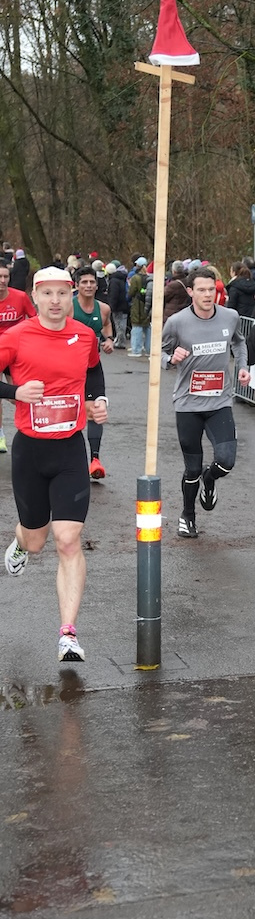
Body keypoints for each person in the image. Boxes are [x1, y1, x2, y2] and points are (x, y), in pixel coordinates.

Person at [0, 266, 109, 662]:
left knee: (67, 539)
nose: (55, 301)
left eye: (62, 293)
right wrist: (15, 391)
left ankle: (68, 634)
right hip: (30, 451)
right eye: (47, 293)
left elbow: (94, 370)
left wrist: (99, 401)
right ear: (35, 296)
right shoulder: (16, 336)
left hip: (69, 451)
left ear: (71, 294)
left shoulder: (84, 335)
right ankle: (20, 542)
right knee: (37, 539)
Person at [161, 266, 252, 538]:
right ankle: (187, 516)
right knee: (191, 468)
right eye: (201, 290)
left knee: (226, 461)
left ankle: (209, 479)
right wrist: (171, 359)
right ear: (190, 292)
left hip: (219, 402)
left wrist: (243, 367)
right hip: (188, 404)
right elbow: (160, 353)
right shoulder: (176, 322)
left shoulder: (230, 316)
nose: (207, 294)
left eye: (211, 289)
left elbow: (239, 343)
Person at [72, 266, 114, 478]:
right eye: (84, 282)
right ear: (77, 285)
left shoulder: (103, 309)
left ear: (97, 285)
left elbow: (106, 326)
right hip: (69, 368)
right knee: (70, 411)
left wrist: (109, 340)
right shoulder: (69, 308)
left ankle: (95, 460)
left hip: (92, 367)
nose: (88, 286)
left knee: (96, 410)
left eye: (92, 282)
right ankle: (71, 460)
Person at [0, 259, 35, 453]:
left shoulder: (20, 297)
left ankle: (30, 430)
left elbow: (35, 320)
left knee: (18, 396)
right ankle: (0, 436)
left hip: (16, 352)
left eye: (5, 276)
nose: (2, 281)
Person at [128, 257, 151, 357]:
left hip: (137, 304)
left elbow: (131, 292)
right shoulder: (149, 277)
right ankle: (149, 350)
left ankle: (136, 350)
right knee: (147, 327)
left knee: (136, 326)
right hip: (148, 304)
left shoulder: (135, 278)